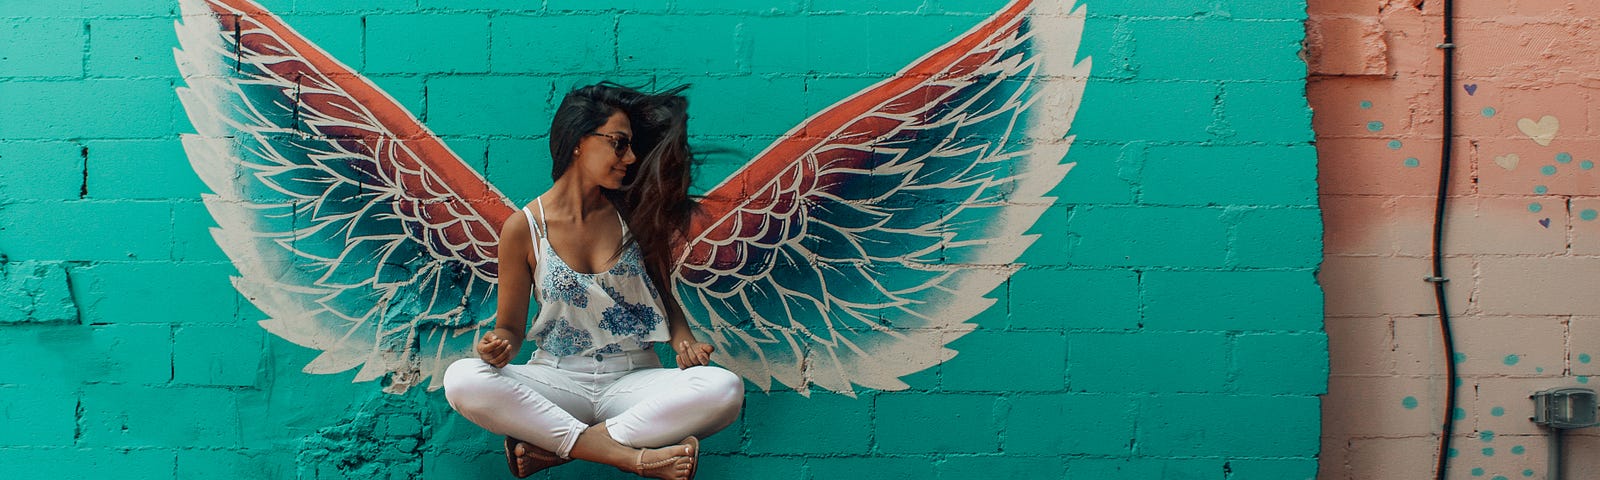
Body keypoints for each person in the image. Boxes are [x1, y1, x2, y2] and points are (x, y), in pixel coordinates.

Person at [443, 83, 744, 480]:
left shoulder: (635, 215)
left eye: (631, 146)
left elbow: (662, 296)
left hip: (634, 379)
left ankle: (557, 450)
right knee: (463, 379)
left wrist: (684, 341)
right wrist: (499, 345)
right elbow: (510, 328)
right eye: (619, 144)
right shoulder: (524, 229)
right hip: (557, 379)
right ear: (578, 142)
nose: (631, 157)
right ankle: (628, 457)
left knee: (724, 388)